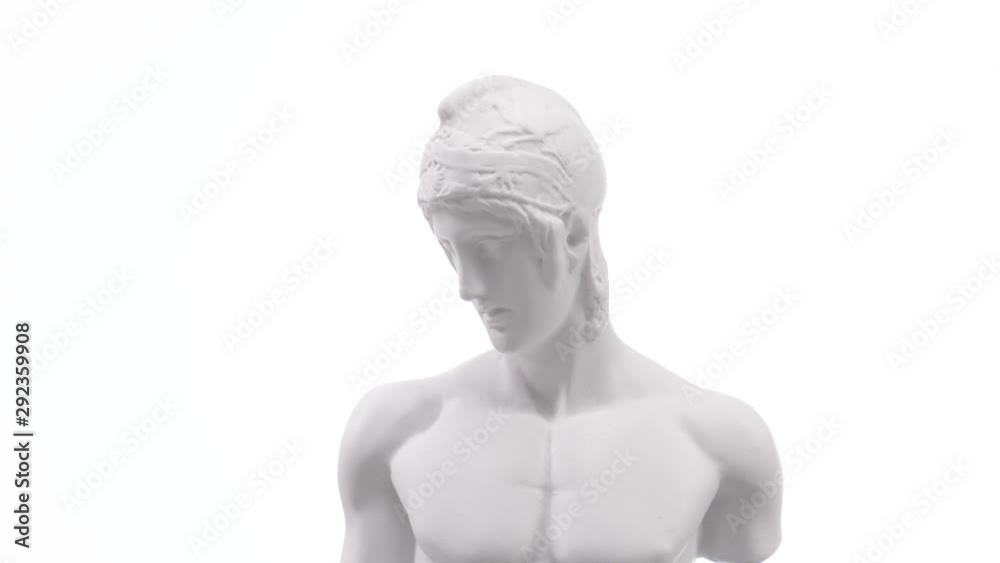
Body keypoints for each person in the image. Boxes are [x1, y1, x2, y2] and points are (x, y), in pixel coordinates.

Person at [338, 75, 782, 563]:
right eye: (451, 250)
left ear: (572, 236)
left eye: (491, 249)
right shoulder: (396, 434)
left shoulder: (720, 444)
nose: (467, 286)